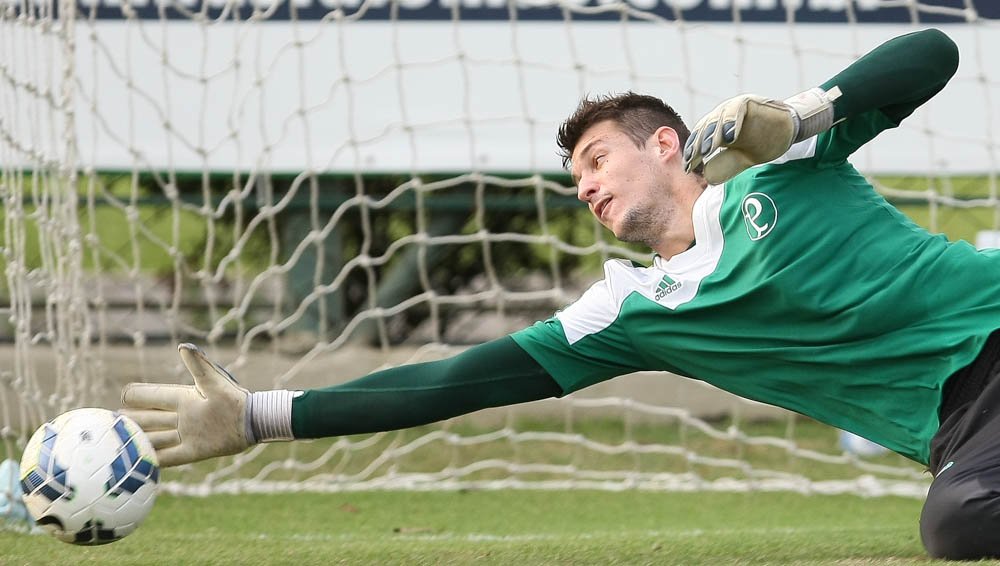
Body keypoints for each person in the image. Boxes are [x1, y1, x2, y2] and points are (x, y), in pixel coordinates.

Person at [121, 28, 997, 560]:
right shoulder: (629, 312)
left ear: (664, 145)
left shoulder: (781, 160)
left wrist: (804, 113)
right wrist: (260, 416)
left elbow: (935, 54)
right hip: (965, 427)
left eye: (594, 160)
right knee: (956, 528)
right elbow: (450, 382)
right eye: (575, 178)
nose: (583, 187)